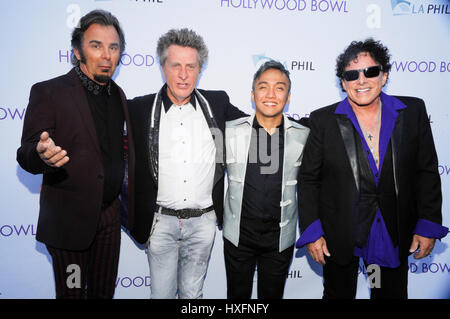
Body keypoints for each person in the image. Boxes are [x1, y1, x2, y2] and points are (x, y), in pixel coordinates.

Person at [295, 38, 448, 299]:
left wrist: (427, 225)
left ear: (385, 75)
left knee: (390, 295)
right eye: (352, 75)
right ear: (343, 82)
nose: (362, 80)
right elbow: (309, 180)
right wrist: (312, 232)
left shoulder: (412, 111)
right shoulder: (323, 120)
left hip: (391, 229)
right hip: (341, 232)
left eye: (371, 71)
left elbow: (426, 171)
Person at [16, 10, 135, 299]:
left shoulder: (119, 95)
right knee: (72, 295)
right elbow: (26, 152)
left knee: (102, 294)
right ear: (77, 51)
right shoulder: (50, 92)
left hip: (109, 219)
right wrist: (41, 156)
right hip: (69, 225)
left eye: (113, 47)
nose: (106, 55)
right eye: (96, 45)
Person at [127, 28, 246, 299]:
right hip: (160, 222)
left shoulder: (217, 102)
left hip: (203, 222)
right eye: (176, 66)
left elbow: (257, 127)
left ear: (199, 69)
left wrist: (313, 126)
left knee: (193, 294)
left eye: (190, 66)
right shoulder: (139, 109)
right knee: (161, 295)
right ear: (162, 67)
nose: (183, 74)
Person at [223, 61, 309, 299]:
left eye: (279, 88)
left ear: (288, 96)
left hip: (279, 240)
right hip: (238, 237)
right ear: (253, 94)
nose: (271, 94)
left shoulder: (303, 136)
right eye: (263, 87)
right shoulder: (231, 131)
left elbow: (315, 184)